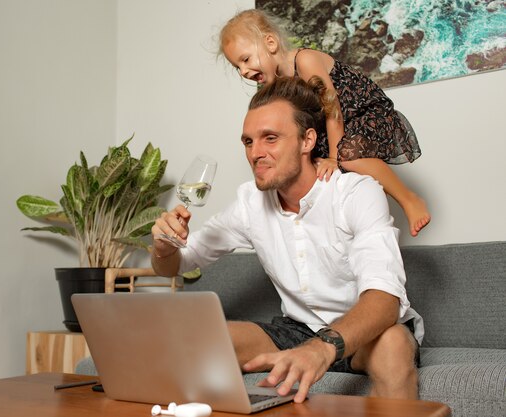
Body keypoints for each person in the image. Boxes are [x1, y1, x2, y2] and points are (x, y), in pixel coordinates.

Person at [151, 76, 423, 403]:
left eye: (270, 138)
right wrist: (164, 248)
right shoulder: (249, 203)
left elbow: (384, 300)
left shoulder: (356, 193)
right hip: (297, 330)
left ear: (307, 140)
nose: (256, 153)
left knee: (392, 345)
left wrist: (321, 349)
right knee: (199, 338)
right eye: (248, 142)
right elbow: (177, 264)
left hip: (366, 334)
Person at [217, 9, 430, 237]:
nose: (244, 71)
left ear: (270, 43)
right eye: (237, 67)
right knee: (315, 171)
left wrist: (333, 157)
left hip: (360, 113)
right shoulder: (278, 86)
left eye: (246, 59)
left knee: (348, 156)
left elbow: (332, 107)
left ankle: (409, 199)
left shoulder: (304, 60)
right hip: (331, 129)